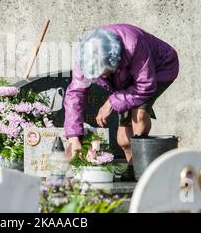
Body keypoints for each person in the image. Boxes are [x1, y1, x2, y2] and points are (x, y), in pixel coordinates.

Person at [64, 23, 179, 180]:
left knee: (138, 116)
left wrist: (111, 102)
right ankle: (132, 169)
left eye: (104, 72)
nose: (102, 77)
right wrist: (73, 138)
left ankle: (144, 171)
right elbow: (75, 94)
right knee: (123, 140)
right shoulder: (86, 56)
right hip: (126, 79)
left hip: (159, 68)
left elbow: (145, 86)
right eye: (97, 74)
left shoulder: (133, 43)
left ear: (114, 58)